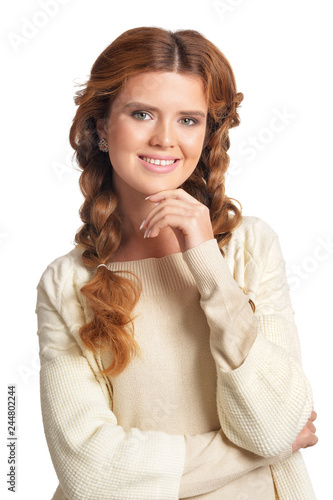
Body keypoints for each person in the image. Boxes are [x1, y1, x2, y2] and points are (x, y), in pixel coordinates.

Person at [35, 26, 318, 500]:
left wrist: (208, 263)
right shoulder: (66, 284)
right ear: (103, 127)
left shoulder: (249, 249)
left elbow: (273, 423)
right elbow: (91, 473)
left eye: (189, 119)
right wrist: (254, 453)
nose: (165, 138)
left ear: (208, 132)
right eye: (142, 113)